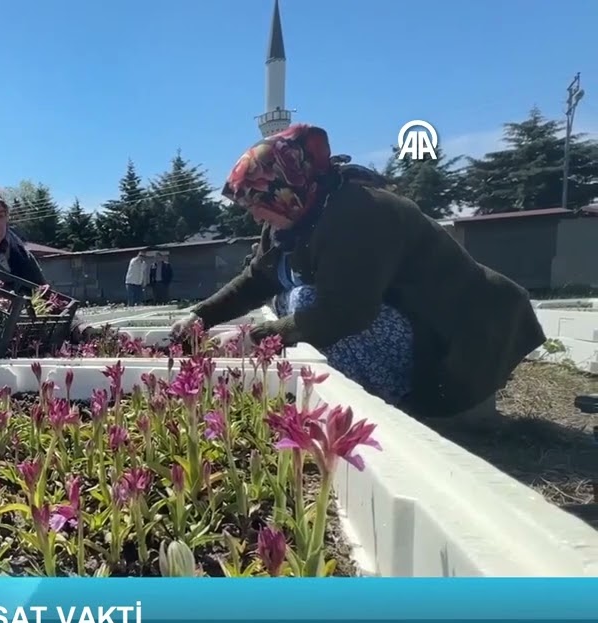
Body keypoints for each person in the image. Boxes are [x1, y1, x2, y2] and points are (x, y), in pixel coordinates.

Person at [171, 123, 545, 419]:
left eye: (258, 203)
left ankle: (395, 404)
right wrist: (200, 318)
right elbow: (258, 279)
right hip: (404, 323)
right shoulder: (290, 221)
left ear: (285, 188)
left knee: (305, 301)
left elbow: (344, 312)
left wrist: (257, 338)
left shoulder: (359, 213)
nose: (254, 215)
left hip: (459, 336)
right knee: (288, 297)